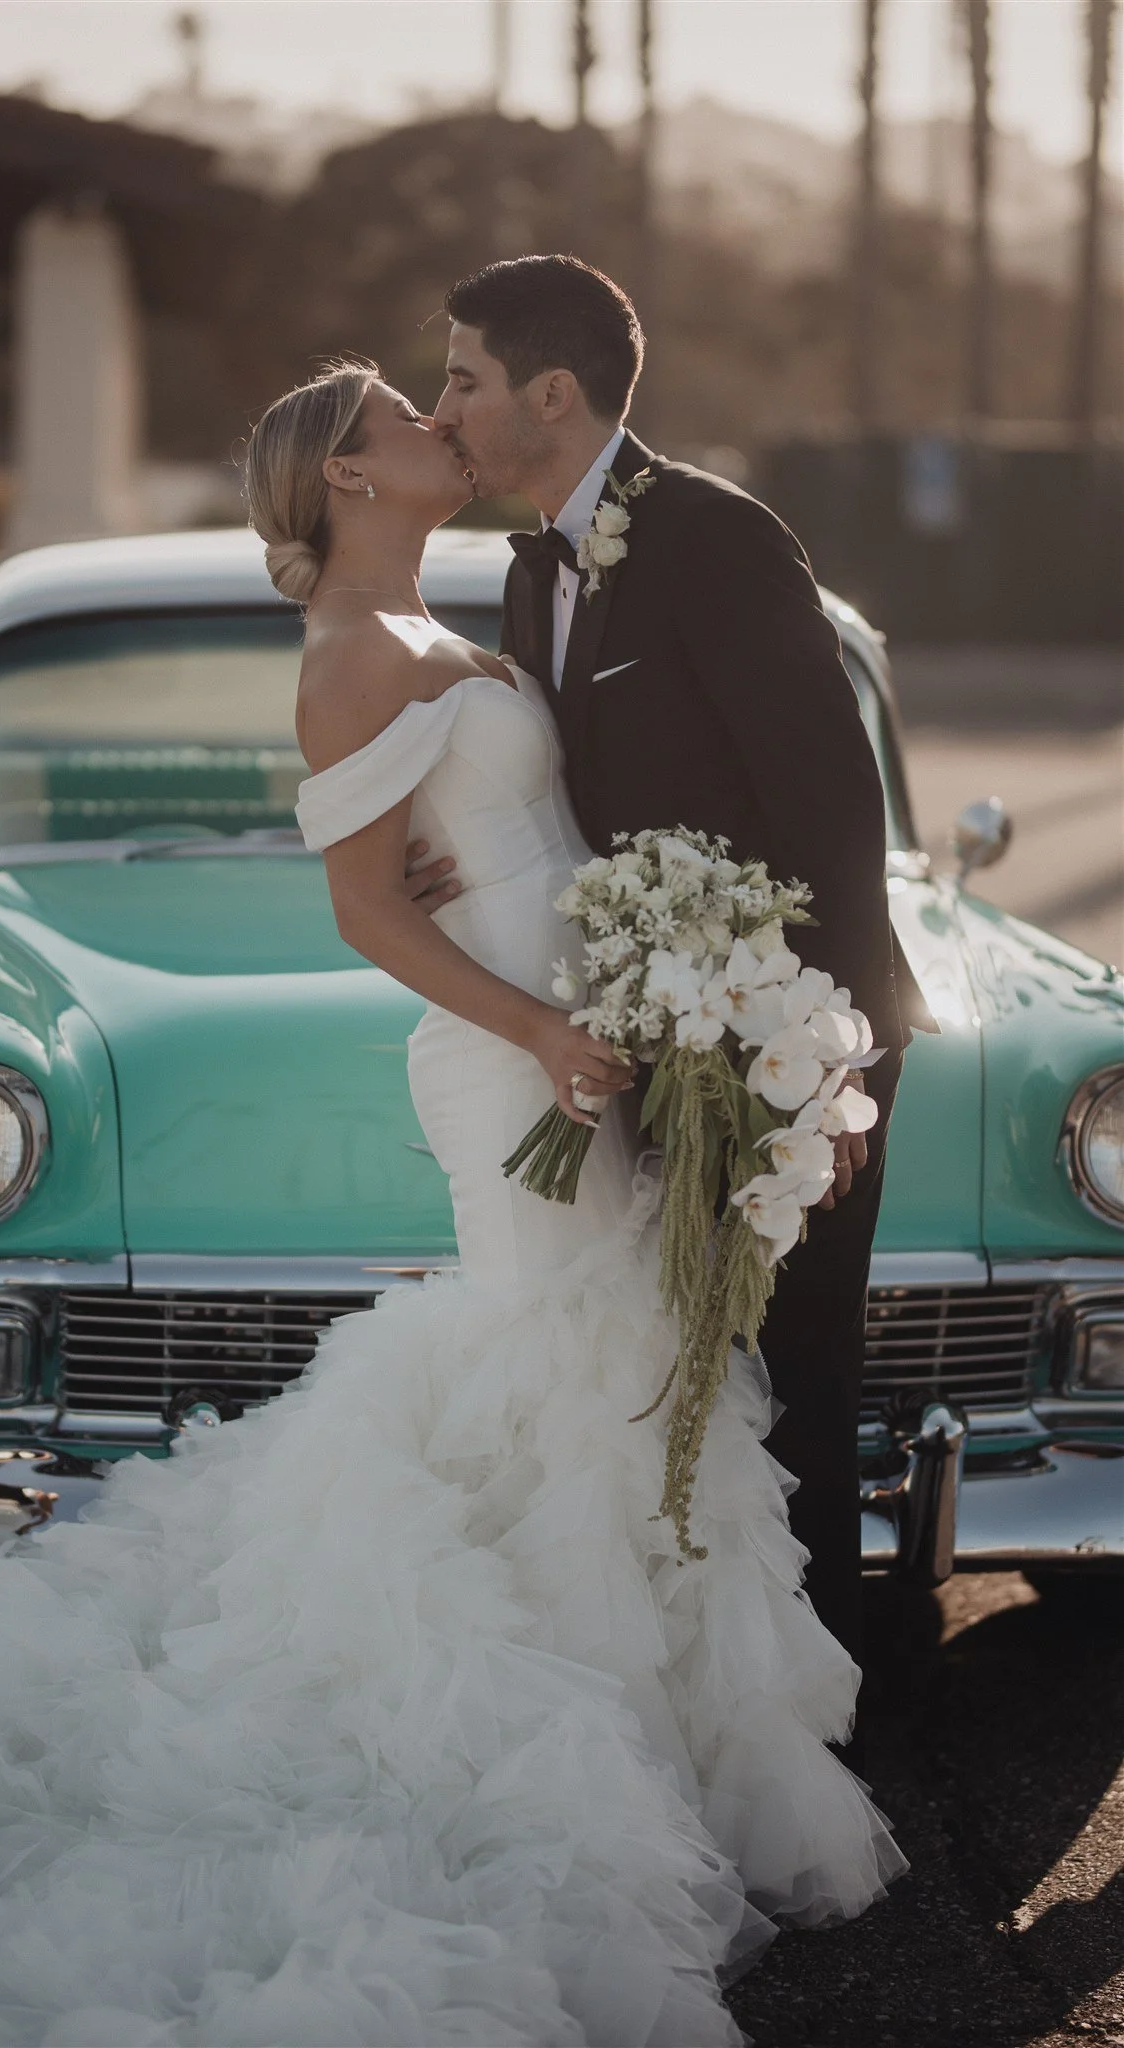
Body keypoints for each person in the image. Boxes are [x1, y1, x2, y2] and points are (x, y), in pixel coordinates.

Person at [0, 358, 904, 2048]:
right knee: (566, 1357)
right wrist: (541, 1027)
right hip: (513, 1059)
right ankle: (547, 1754)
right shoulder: (350, 653)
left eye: (452, 395)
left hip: (579, 1027)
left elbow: (486, 822)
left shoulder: (453, 616)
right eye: (408, 416)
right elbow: (367, 911)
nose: (444, 423)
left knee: (608, 1358)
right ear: (349, 477)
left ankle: (640, 1737)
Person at [431, 256, 937, 1713]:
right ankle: (706, 1708)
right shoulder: (530, 567)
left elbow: (832, 804)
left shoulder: (718, 536)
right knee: (680, 1381)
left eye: (462, 379)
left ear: (552, 392)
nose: (441, 409)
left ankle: (821, 1735)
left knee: (790, 1384)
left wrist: (831, 1070)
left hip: (784, 1035)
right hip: (650, 1033)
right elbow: (565, 799)